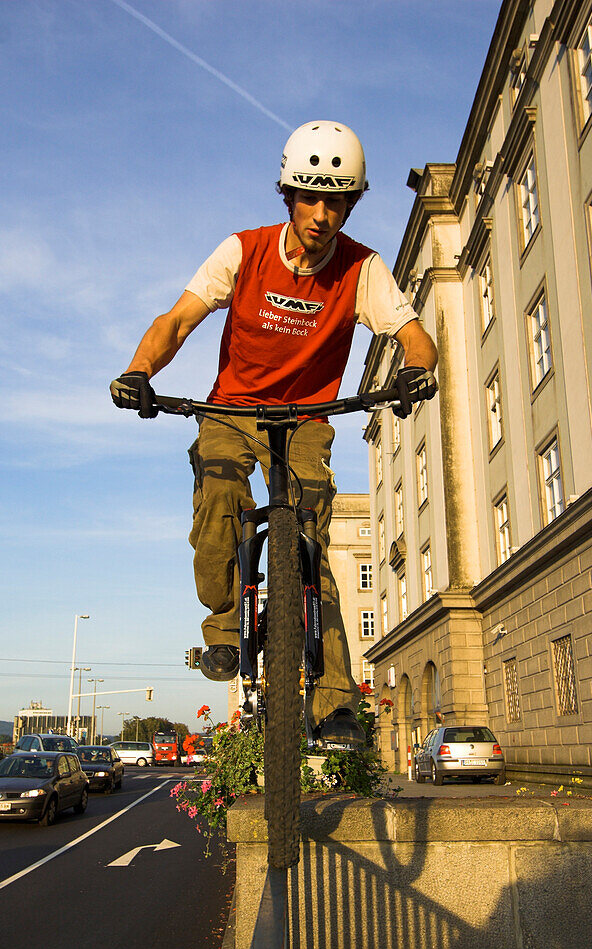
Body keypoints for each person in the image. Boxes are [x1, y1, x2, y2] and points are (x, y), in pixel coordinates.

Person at [111, 120, 438, 748]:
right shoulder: (243, 250)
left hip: (306, 418)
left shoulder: (362, 269)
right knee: (218, 499)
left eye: (336, 200)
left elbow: (414, 336)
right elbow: (178, 320)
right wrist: (138, 371)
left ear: (351, 203)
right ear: (288, 195)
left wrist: (418, 371)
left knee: (311, 533)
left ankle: (336, 701)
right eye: (309, 197)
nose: (321, 214)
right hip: (232, 410)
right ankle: (226, 630)